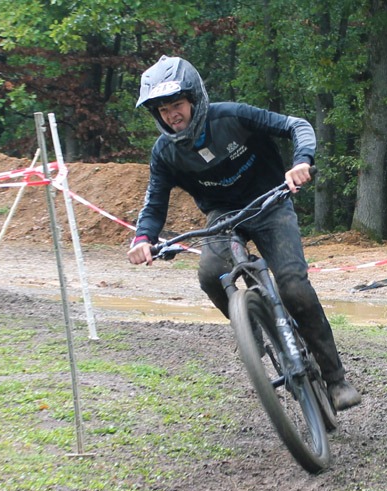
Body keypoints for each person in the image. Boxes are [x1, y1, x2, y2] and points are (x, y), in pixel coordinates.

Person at [127, 56, 361, 410]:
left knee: (294, 286)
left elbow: (296, 125)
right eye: (163, 110)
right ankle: (251, 331)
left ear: (194, 99)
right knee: (210, 274)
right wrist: (143, 238)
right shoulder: (165, 154)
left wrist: (302, 161)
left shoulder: (231, 116)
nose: (172, 115)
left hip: (271, 202)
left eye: (177, 105)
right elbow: (154, 201)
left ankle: (336, 379)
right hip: (223, 216)